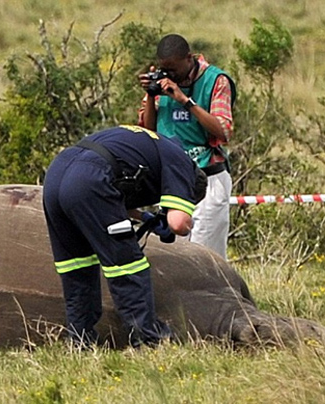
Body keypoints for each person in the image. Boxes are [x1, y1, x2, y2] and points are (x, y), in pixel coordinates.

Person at [42, 124, 207, 348]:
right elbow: (178, 223)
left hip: (57, 173)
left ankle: (81, 341)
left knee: (77, 266)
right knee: (128, 265)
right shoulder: (183, 164)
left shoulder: (153, 144)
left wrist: (145, 217)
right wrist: (184, 223)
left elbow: (114, 199)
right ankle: (148, 339)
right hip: (91, 177)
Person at [137, 33, 236, 260]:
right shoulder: (162, 82)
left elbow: (223, 130)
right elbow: (148, 130)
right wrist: (151, 96)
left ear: (189, 59)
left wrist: (185, 100)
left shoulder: (216, 80)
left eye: (174, 69)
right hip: (173, 179)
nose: (170, 75)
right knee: (175, 255)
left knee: (205, 256)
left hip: (208, 176)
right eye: (165, 69)